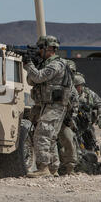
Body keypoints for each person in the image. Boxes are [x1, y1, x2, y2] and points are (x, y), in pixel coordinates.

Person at [23, 35, 73, 177]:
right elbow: (32, 81)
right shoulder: (46, 64)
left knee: (42, 134)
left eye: (40, 48)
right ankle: (53, 169)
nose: (39, 51)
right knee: (50, 136)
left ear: (49, 48)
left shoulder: (57, 64)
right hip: (48, 105)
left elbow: (38, 77)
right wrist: (35, 64)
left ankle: (43, 168)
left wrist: (28, 65)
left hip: (55, 105)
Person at [74, 74, 101, 152]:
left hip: (86, 126)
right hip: (72, 125)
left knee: (90, 146)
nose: (77, 89)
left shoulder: (89, 94)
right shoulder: (68, 93)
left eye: (78, 86)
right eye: (75, 86)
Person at [57, 60, 79, 175]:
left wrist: (69, 119)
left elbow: (75, 107)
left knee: (69, 140)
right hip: (48, 117)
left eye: (72, 72)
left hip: (63, 120)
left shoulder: (73, 90)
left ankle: (70, 168)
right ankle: (50, 168)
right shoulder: (53, 82)